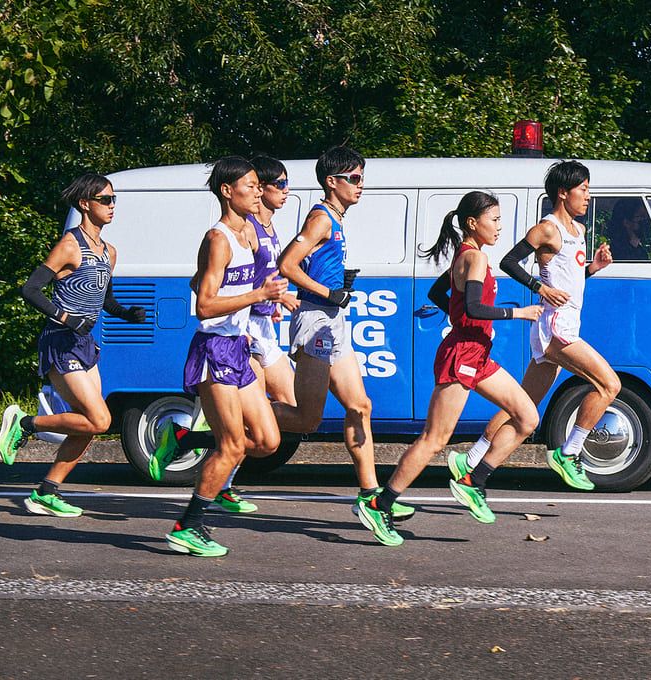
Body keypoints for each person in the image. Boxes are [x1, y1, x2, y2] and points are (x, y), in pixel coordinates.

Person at [356, 191, 542, 546]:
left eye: (500, 220)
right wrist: (517, 313)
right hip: (462, 355)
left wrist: (459, 314)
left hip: (478, 354)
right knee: (435, 440)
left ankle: (474, 480)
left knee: (527, 417)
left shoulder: (469, 257)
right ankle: (381, 504)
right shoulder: (475, 260)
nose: (500, 227)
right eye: (495, 220)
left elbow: (438, 292)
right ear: (473, 223)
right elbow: (472, 307)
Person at [452, 161, 619, 491]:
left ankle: (471, 459)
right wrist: (539, 289)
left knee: (524, 401)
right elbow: (509, 261)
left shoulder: (580, 231)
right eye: (583, 189)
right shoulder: (547, 228)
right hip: (555, 328)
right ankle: (568, 453)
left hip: (566, 321)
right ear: (563, 193)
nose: (588, 196)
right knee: (609, 385)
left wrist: (592, 269)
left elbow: (567, 281)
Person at [271, 146, 414, 523]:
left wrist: (337, 283)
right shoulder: (320, 218)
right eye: (353, 178)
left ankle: (370, 496)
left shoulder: (337, 218)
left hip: (333, 319)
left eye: (362, 178)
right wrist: (327, 291)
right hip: (315, 319)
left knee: (360, 406)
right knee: (307, 421)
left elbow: (313, 265)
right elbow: (287, 264)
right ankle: (225, 416)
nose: (360, 185)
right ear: (331, 182)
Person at [151, 155, 302, 513]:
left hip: (239, 344)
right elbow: (203, 306)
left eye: (257, 185)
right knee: (233, 445)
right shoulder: (217, 238)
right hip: (214, 348)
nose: (257, 191)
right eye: (250, 186)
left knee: (267, 441)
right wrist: (257, 296)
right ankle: (189, 524)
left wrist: (266, 296)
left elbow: (208, 281)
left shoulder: (248, 232)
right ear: (226, 190)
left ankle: (187, 441)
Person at [0, 173, 145, 517]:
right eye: (105, 199)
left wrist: (126, 313)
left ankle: (46, 493)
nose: (112, 206)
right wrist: (66, 318)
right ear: (85, 204)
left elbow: (105, 299)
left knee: (89, 424)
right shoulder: (69, 244)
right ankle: (24, 423)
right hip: (61, 340)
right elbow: (31, 289)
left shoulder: (110, 252)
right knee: (99, 419)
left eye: (113, 199)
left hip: (84, 342)